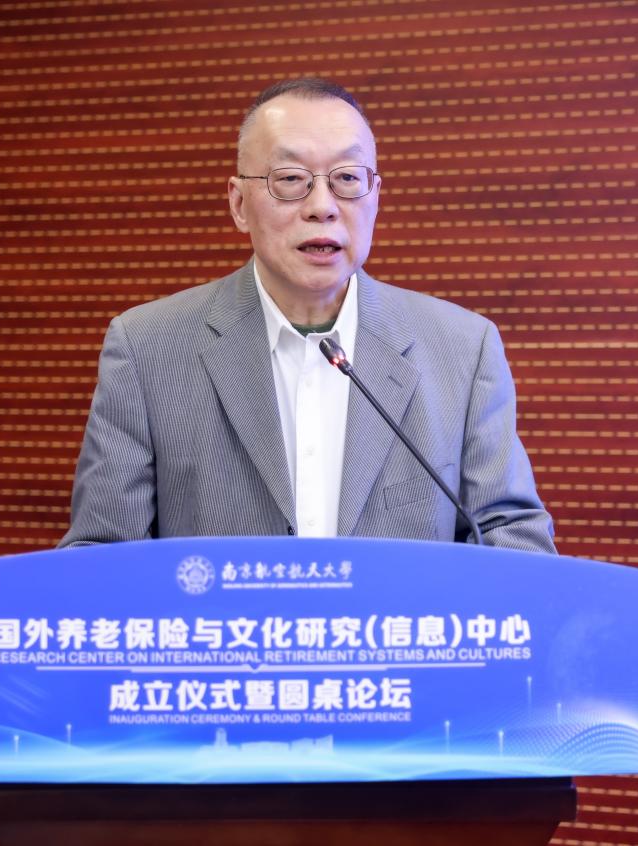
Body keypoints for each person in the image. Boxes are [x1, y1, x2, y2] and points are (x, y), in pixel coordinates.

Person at [60, 78, 554, 553]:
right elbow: (101, 557)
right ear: (238, 204)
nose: (322, 207)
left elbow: (512, 540)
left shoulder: (463, 349)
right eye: (291, 180)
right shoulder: (147, 349)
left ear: (375, 196)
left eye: (347, 179)